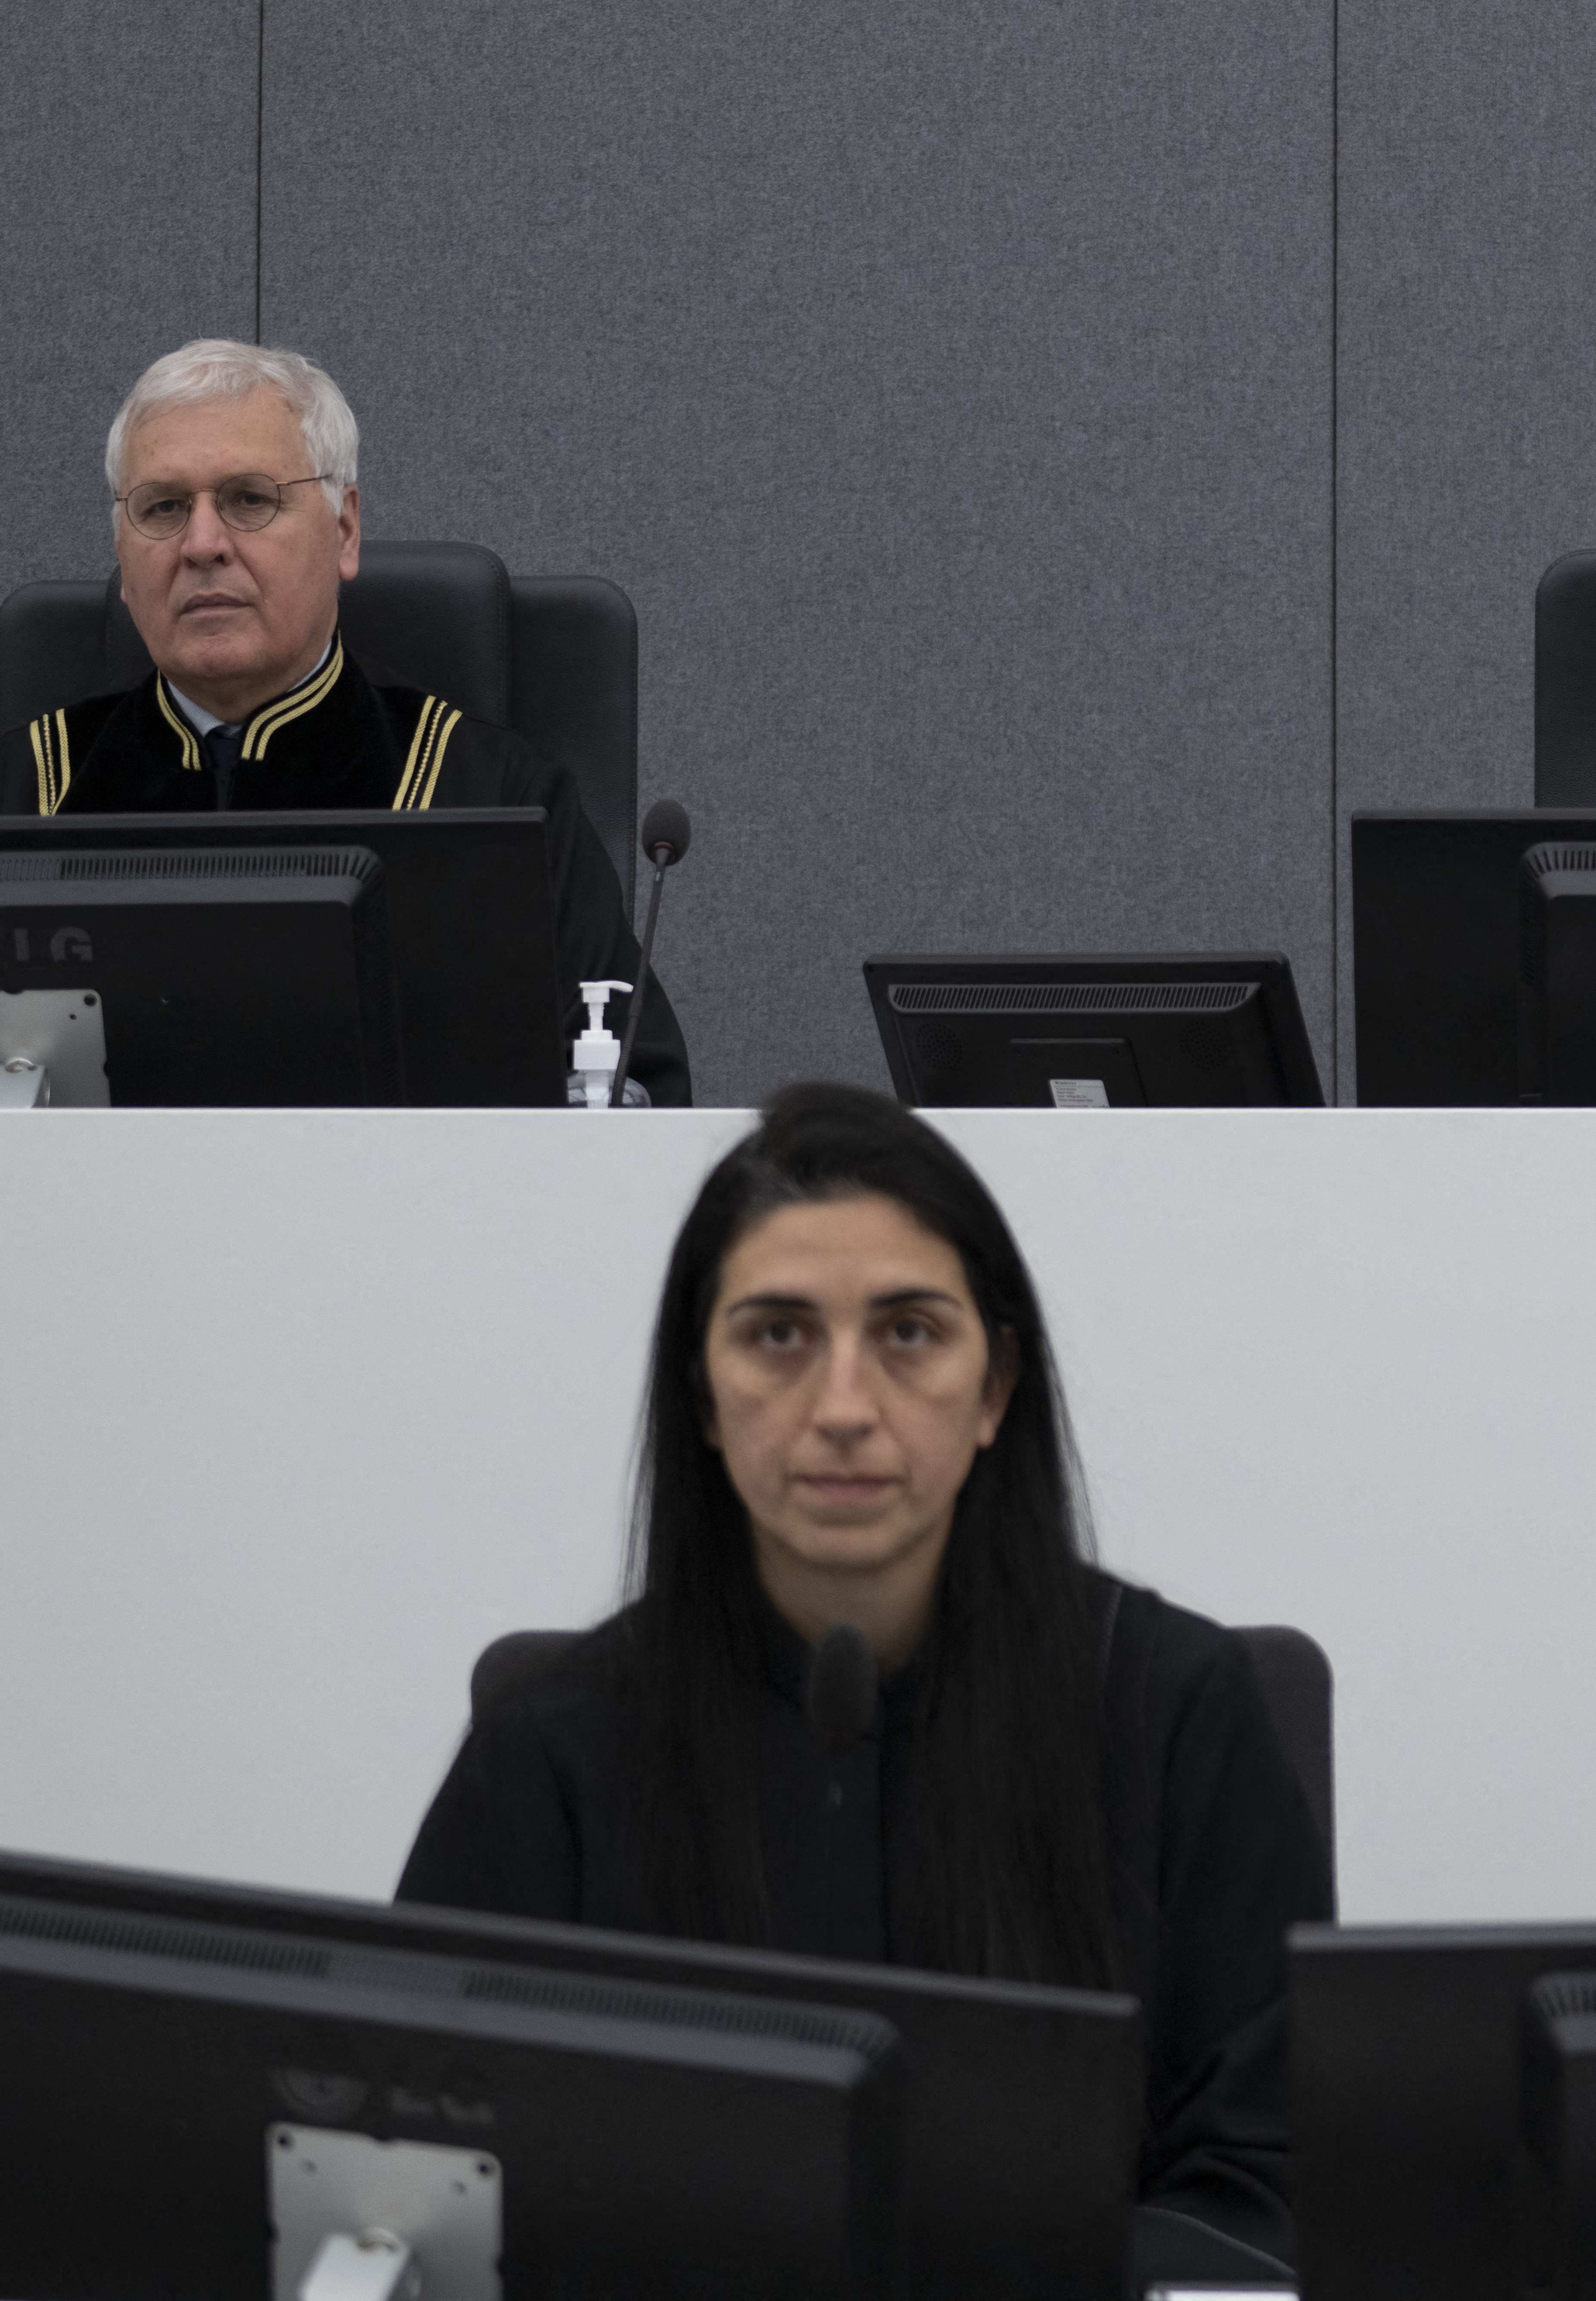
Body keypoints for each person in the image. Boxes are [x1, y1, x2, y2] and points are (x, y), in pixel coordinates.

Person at [397, 1083, 1325, 2284]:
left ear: (995, 1391)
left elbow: (1270, 2188)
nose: (842, 1410)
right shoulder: (557, 1749)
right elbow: (423, 2185)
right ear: (705, 1398)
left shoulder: (1178, 1710)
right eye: (778, 1335)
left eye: (910, 1334)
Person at [12, 339, 687, 1101]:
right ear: (122, 552)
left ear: (345, 531)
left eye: (249, 499)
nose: (203, 545)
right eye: (164, 508)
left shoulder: (495, 795)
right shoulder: (28, 787)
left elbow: (639, 1093)